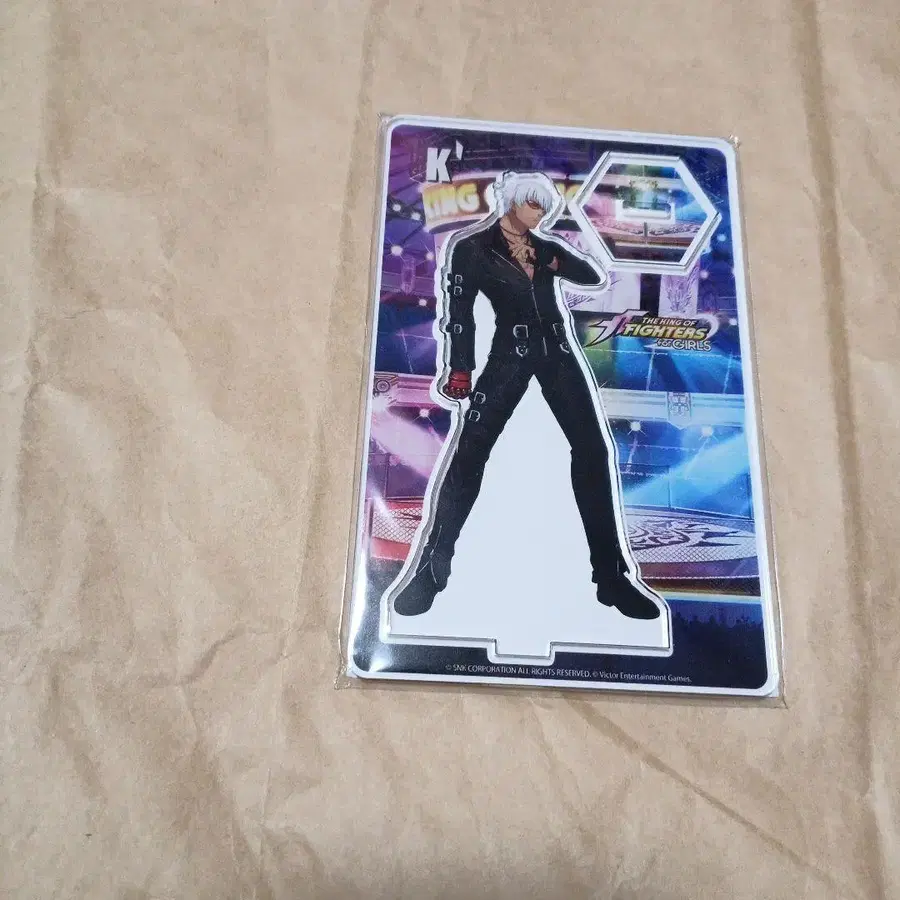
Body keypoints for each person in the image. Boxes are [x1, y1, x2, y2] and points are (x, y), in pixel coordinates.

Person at [392, 172, 662, 620]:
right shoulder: (472, 248)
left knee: (593, 451)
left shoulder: (544, 247)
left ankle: (612, 578)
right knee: (469, 454)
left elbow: (592, 276)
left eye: (544, 208)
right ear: (514, 202)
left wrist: (554, 260)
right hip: (510, 354)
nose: (540, 215)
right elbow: (459, 313)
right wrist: (460, 368)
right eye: (534, 205)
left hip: (558, 350)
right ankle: (430, 570)